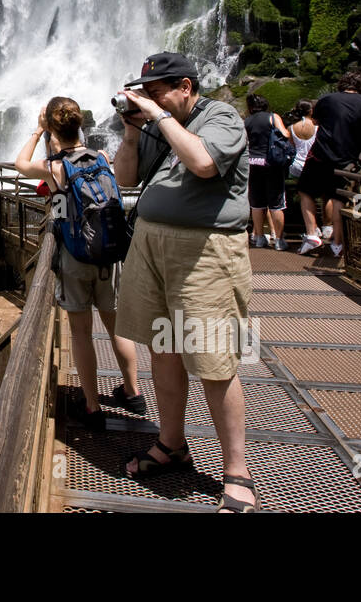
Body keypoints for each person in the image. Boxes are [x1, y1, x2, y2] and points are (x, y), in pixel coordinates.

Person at [112, 53, 259, 512]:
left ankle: (237, 471)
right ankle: (171, 443)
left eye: (156, 91)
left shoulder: (222, 117)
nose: (148, 99)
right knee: (163, 347)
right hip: (151, 247)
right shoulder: (157, 125)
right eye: (145, 92)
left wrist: (157, 115)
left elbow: (202, 163)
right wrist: (134, 131)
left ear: (186, 86)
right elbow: (124, 178)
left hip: (205, 254)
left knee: (214, 358)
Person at [14, 95, 145, 431]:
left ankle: (91, 405)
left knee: (81, 332)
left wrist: (36, 131)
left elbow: (20, 164)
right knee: (117, 326)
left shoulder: (55, 167)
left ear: (52, 128)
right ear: (79, 125)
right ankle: (133, 392)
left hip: (74, 257)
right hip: (109, 253)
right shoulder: (99, 156)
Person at [297, 70, 361, 257]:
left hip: (321, 155)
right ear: (360, 86)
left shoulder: (326, 100)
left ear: (341, 84)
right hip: (350, 159)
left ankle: (312, 234)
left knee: (305, 191)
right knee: (339, 198)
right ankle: (337, 244)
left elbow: (316, 121)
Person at [244, 94, 291, 251]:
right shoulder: (272, 117)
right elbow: (285, 134)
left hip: (253, 163)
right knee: (276, 202)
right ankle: (279, 239)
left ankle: (258, 237)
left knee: (256, 203)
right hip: (271, 163)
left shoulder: (247, 121)